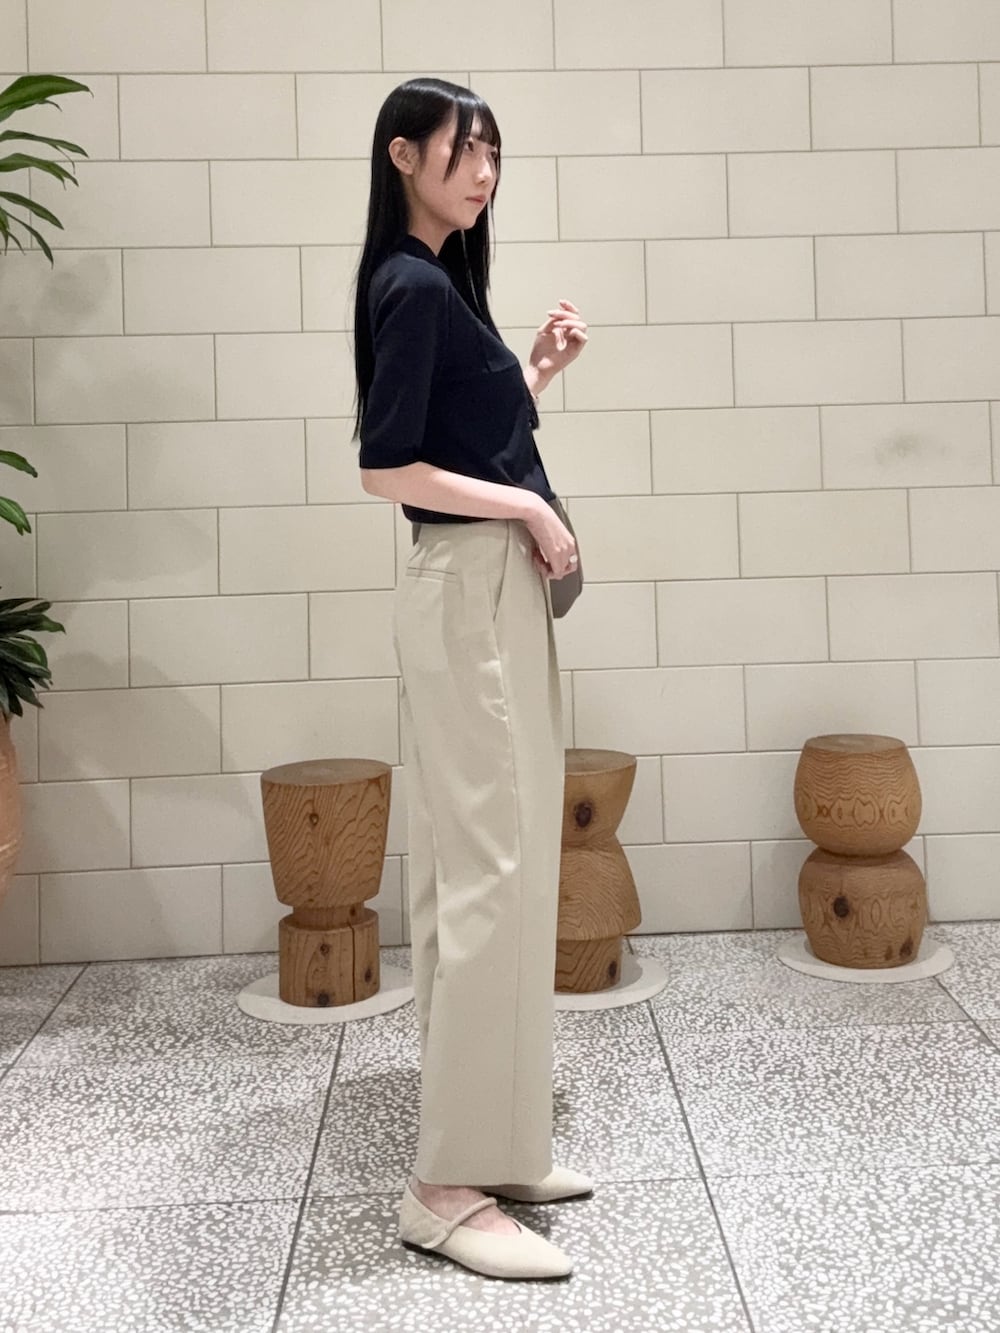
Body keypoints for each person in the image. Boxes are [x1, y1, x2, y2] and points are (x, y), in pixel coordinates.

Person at [351, 77, 590, 1282]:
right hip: (468, 590)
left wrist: (531, 374)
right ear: (405, 156)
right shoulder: (409, 283)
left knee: (487, 864)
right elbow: (385, 467)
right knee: (488, 868)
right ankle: (442, 1190)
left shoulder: (443, 283)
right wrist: (531, 514)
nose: (484, 171)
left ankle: (489, 1143)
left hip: (480, 587)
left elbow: (463, 439)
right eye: (464, 150)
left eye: (495, 152)